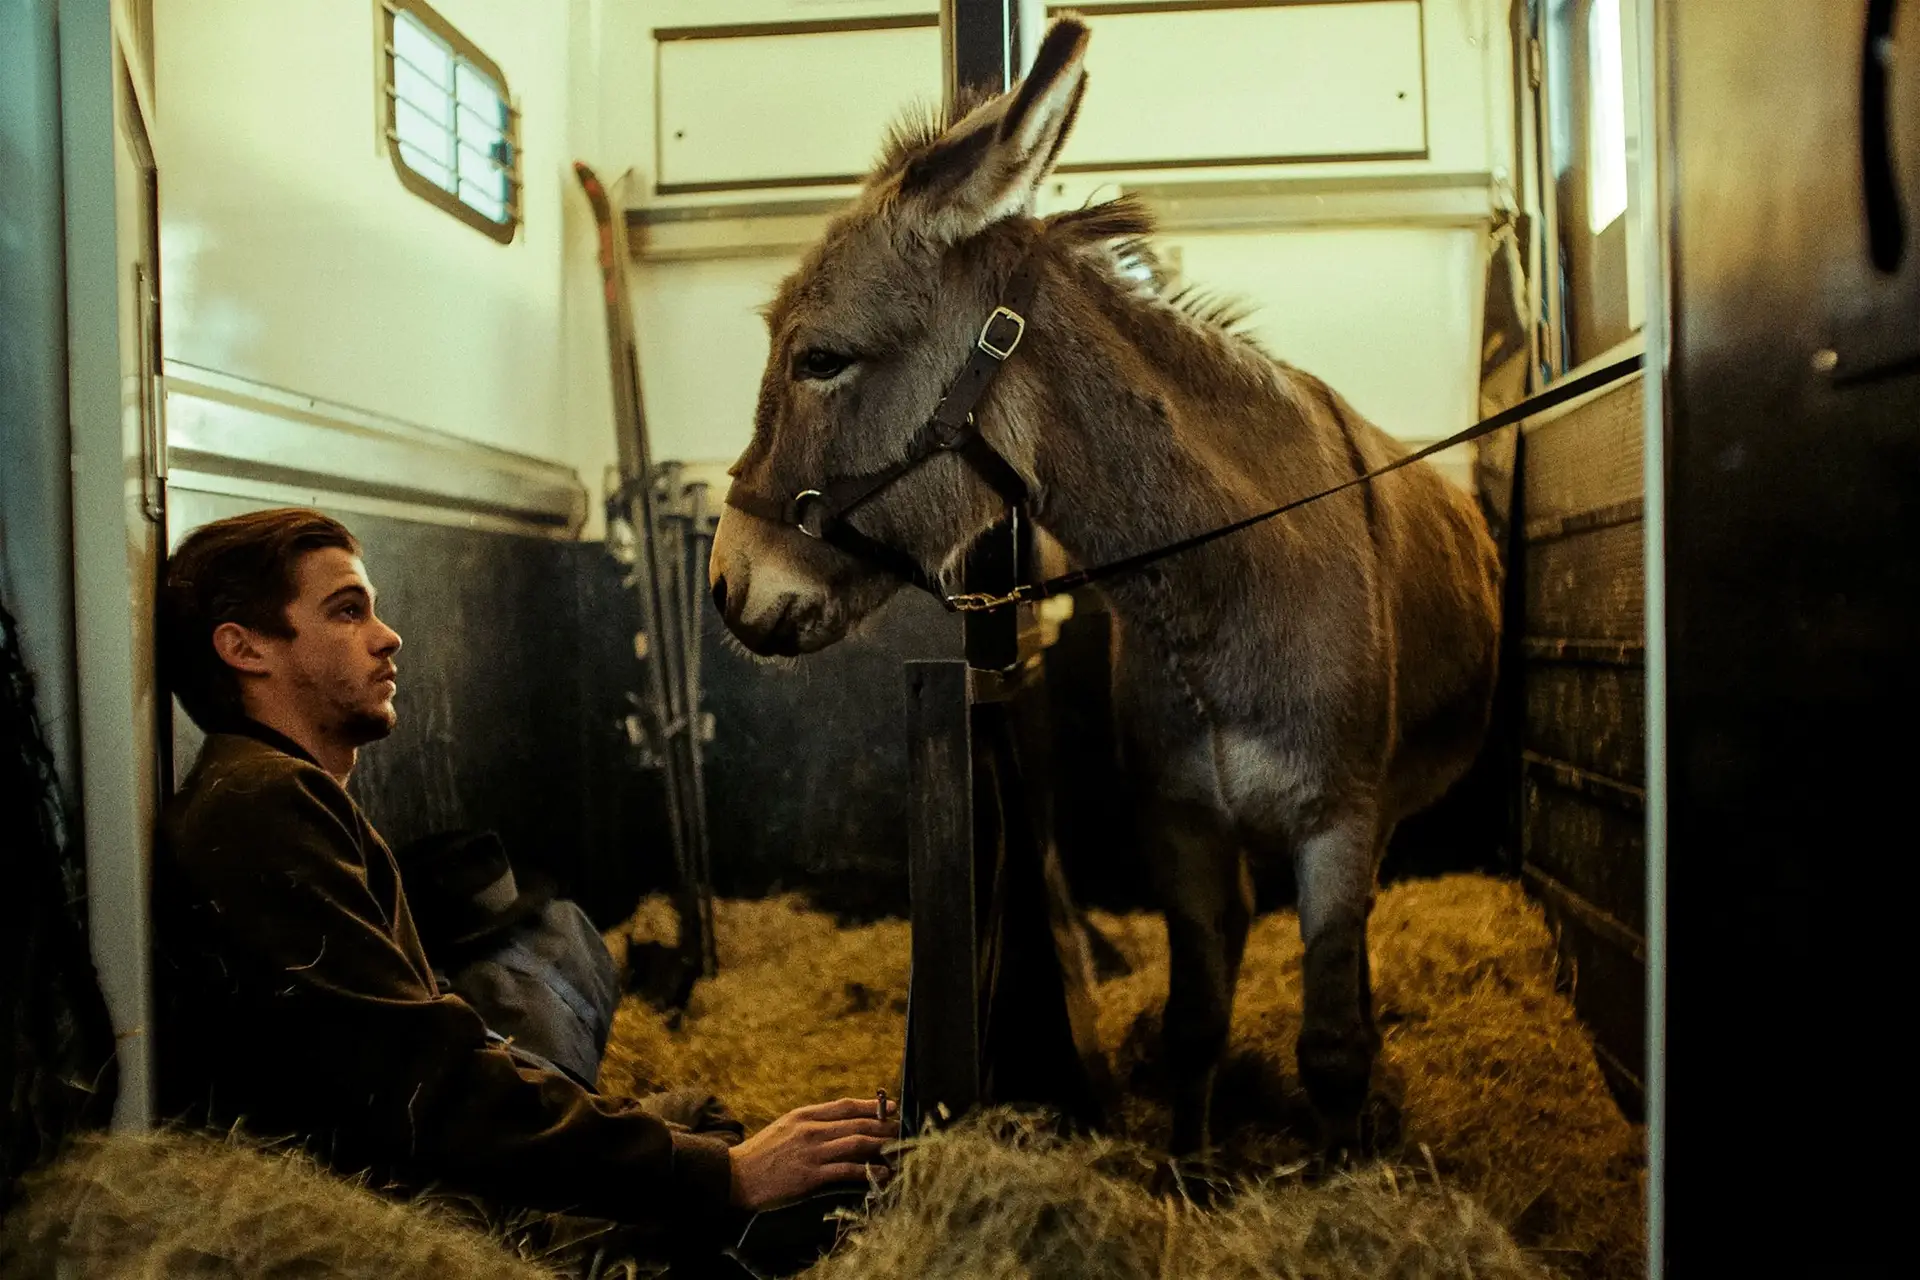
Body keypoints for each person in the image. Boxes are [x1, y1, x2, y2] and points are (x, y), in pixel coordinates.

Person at [152, 507, 894, 1261]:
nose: (388, 635)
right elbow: (429, 1089)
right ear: (244, 648)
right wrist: (724, 1176)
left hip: (421, 1185)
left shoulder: (265, 791)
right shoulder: (265, 803)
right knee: (772, 1185)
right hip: (406, 1229)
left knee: (696, 1115)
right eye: (347, 611)